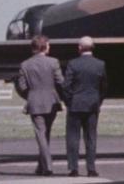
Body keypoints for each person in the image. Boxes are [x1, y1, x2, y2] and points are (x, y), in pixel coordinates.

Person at [16, 35, 64, 176]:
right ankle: (44, 166)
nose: (50, 47)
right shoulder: (54, 62)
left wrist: (31, 96)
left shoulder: (25, 65)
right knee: (45, 133)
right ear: (44, 46)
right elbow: (61, 81)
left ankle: (45, 166)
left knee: (41, 134)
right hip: (52, 102)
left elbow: (22, 86)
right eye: (48, 45)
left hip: (35, 102)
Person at [63, 36, 107, 177]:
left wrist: (70, 100)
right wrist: (98, 100)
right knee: (91, 137)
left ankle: (73, 168)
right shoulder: (100, 64)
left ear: (79, 48)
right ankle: (91, 168)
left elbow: (66, 86)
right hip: (93, 105)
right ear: (92, 47)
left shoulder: (73, 64)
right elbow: (104, 87)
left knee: (73, 137)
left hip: (75, 105)